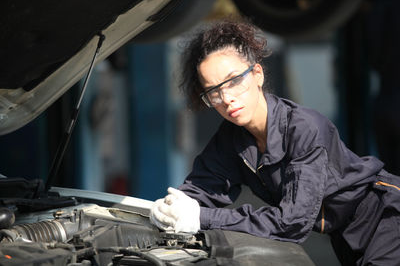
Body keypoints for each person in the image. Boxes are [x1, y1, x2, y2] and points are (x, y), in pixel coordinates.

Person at [149, 20, 400, 265]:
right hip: (343, 234)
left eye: (233, 81)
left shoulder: (305, 129)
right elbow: (201, 190)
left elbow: (292, 223)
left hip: (385, 218)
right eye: (213, 91)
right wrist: (170, 208)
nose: (226, 98)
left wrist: (201, 217)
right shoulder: (231, 137)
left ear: (257, 74)